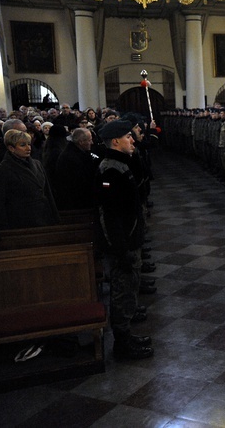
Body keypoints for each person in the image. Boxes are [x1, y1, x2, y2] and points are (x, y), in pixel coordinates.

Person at [95, 120, 152, 359]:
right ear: (116, 141)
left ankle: (126, 335)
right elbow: (109, 215)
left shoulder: (121, 163)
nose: (133, 140)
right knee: (121, 291)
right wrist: (121, 249)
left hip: (130, 239)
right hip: (123, 244)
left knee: (129, 290)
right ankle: (121, 344)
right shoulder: (110, 169)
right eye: (128, 137)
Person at [0, 129, 60, 229]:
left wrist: (55, 217)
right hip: (21, 221)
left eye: (29, 144)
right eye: (22, 145)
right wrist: (3, 228)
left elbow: (47, 192)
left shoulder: (37, 164)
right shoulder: (2, 170)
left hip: (43, 217)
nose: (28, 148)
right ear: (11, 148)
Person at [54, 128, 98, 211]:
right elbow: (80, 184)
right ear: (81, 142)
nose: (92, 143)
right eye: (90, 140)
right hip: (77, 204)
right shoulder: (71, 158)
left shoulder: (79, 153)